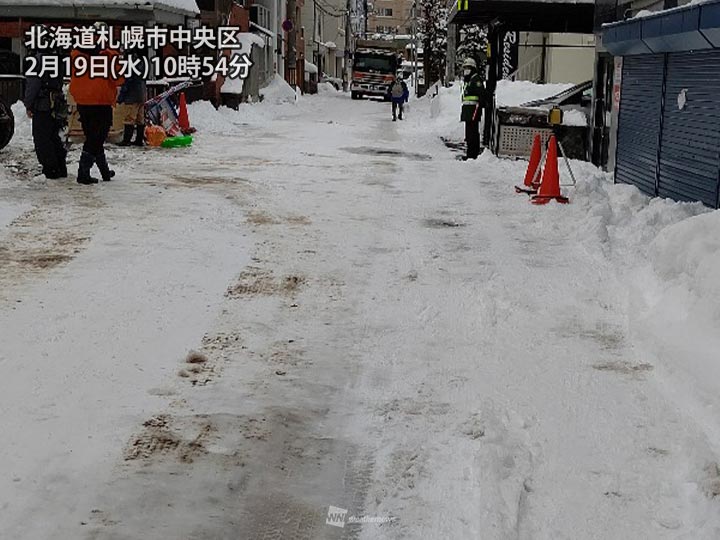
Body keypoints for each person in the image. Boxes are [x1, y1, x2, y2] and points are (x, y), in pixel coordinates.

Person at [69, 22, 124, 184]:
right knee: (97, 138)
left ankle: (105, 172)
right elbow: (118, 78)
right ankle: (83, 173)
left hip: (83, 101)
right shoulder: (108, 55)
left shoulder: (76, 54)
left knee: (93, 136)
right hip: (101, 101)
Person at [23, 47, 68, 179]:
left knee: (42, 138)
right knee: (54, 136)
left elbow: (33, 85)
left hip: (42, 104)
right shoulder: (58, 59)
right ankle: (60, 166)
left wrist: (28, 104)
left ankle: (51, 168)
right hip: (57, 103)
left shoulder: (37, 60)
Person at [116, 54, 146, 147]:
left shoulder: (129, 65)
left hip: (132, 96)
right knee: (140, 119)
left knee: (129, 118)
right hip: (141, 94)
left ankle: (126, 140)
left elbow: (128, 82)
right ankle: (139, 140)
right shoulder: (140, 63)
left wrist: (121, 97)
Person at [460, 57, 485, 160]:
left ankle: (472, 154)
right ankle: (470, 153)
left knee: (473, 133)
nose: (466, 70)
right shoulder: (469, 80)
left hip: (473, 110)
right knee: (469, 133)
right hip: (468, 111)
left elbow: (481, 95)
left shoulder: (476, 80)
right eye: (465, 68)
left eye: (468, 68)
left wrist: (480, 106)